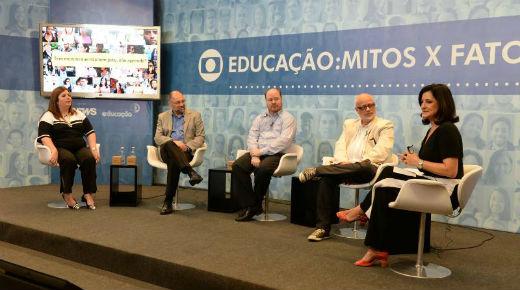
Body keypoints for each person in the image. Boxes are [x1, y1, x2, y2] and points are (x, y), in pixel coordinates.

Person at [337, 83, 463, 266]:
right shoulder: (433, 129)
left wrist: (417, 162)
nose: (423, 105)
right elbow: (432, 164)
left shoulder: (448, 129)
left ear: (442, 103)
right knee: (386, 176)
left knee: (386, 180)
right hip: (431, 182)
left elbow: (450, 171)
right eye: (422, 102)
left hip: (444, 190)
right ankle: (375, 246)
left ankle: (361, 214)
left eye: (428, 101)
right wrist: (414, 160)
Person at [298, 93, 394, 241]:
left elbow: (380, 153)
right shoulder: (350, 124)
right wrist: (343, 163)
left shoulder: (385, 125)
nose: (368, 109)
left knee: (364, 166)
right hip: (346, 169)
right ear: (357, 110)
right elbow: (340, 146)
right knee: (327, 179)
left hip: (369, 169)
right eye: (363, 107)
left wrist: (354, 165)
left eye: (371, 105)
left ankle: (317, 170)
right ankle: (322, 228)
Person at [232, 88, 296, 222]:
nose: (273, 102)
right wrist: (254, 154)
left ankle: (254, 205)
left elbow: (283, 142)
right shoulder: (260, 118)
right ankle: (250, 205)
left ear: (281, 99)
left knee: (262, 170)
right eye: (270, 99)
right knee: (238, 166)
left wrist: (260, 152)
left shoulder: (288, 119)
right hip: (258, 152)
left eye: (276, 99)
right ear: (266, 101)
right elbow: (252, 136)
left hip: (278, 155)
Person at [37, 87, 100, 210]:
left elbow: (90, 132)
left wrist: (93, 149)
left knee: (89, 159)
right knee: (68, 160)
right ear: (56, 100)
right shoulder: (48, 116)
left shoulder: (78, 114)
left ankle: (88, 194)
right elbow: (44, 136)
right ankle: (67, 194)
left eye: (69, 95)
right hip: (60, 147)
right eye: (64, 96)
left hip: (79, 147)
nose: (68, 97)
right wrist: (53, 150)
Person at [154, 90, 205, 215]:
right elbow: (157, 138)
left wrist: (187, 146)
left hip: (185, 152)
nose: (182, 104)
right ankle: (190, 172)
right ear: (171, 103)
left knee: (174, 162)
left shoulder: (195, 115)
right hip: (166, 150)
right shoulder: (162, 116)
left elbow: (200, 137)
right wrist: (174, 142)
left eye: (183, 101)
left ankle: (168, 202)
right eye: (178, 102)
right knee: (170, 144)